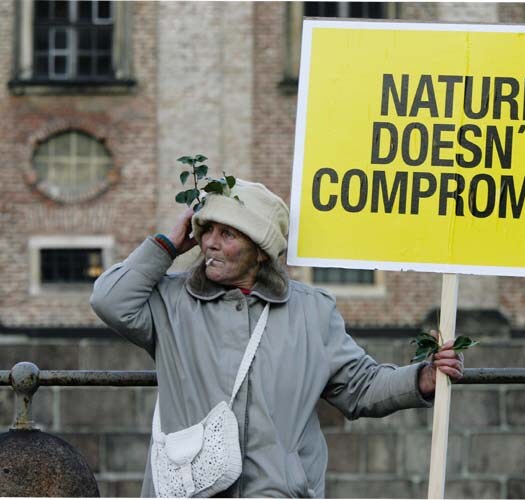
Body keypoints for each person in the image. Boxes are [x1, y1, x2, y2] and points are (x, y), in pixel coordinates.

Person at [90, 179, 464, 498]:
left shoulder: (311, 311)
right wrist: (165, 246)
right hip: (190, 490)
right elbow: (109, 300)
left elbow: (360, 387)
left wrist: (421, 379)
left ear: (260, 251)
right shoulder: (170, 302)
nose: (210, 244)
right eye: (207, 231)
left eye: (228, 234)